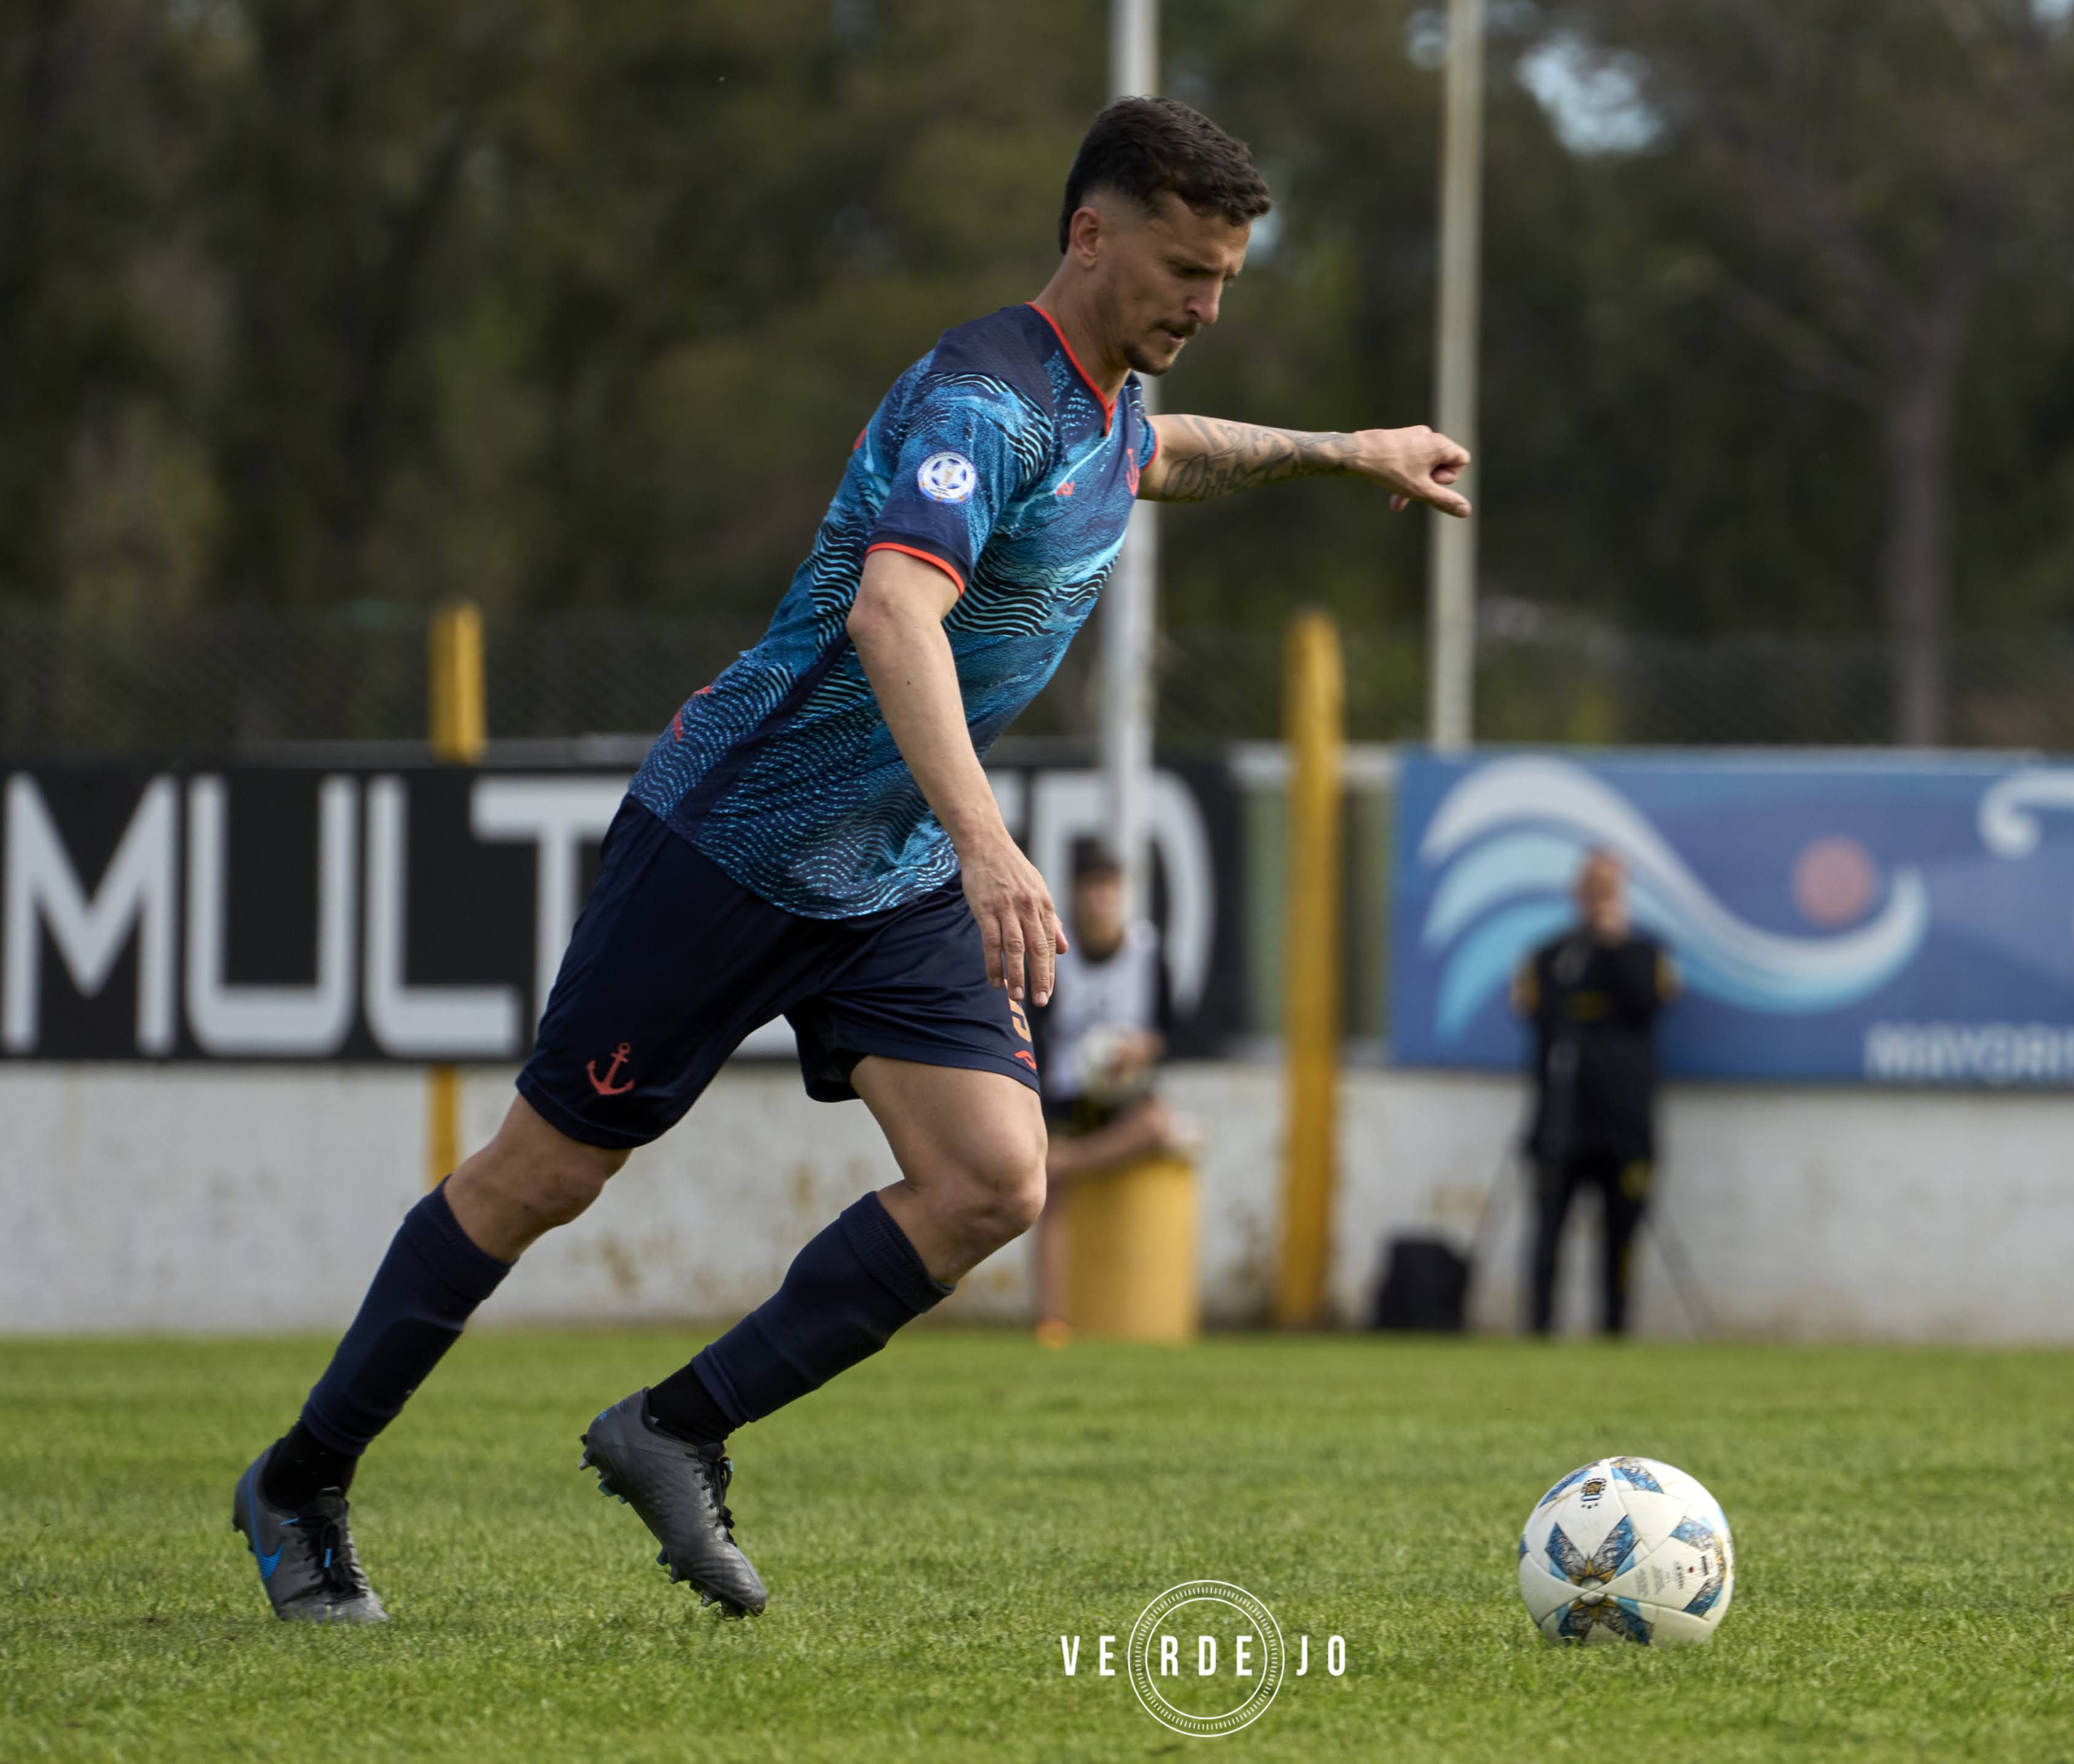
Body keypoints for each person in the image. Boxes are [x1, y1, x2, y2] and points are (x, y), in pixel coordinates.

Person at [231, 97, 1471, 1623]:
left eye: (1223, 277)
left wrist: (1354, 451)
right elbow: (894, 612)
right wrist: (990, 842)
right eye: (1182, 269)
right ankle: (301, 1477)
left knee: (992, 1178)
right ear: (1089, 235)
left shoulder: (1095, 409)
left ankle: (673, 1428)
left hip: (878, 873)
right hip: (732, 840)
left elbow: (1167, 459)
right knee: (542, 1174)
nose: (1206, 305)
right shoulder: (983, 399)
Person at [1028, 840, 1193, 1344]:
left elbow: (1173, 1031)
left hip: (1123, 1097)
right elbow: (1036, 1032)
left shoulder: (1147, 951)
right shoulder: (1055, 952)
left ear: (1121, 894)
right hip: (1068, 1094)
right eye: (1091, 889)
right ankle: (1052, 1319)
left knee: (1159, 1123)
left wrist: (1146, 1046)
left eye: (1109, 888)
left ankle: (1068, 1159)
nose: (1100, 900)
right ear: (1076, 895)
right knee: (1047, 1199)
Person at [1511, 849, 1680, 1337]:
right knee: (1546, 1237)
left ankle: (1614, 1332)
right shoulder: (1550, 957)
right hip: (1561, 1123)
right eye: (1592, 888)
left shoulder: (1648, 956)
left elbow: (1647, 1006)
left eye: (1609, 889)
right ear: (1576, 894)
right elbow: (1538, 1017)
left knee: (1621, 1242)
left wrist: (1614, 945)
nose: (1599, 899)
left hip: (1624, 1127)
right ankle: (1538, 1333)